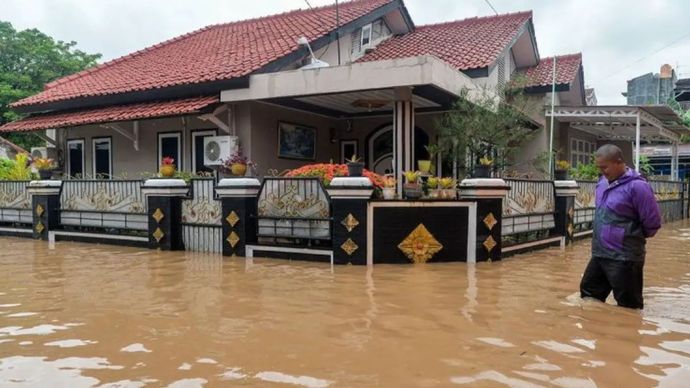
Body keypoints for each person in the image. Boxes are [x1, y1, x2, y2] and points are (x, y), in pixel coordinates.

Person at [580, 144, 661, 309]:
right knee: (589, 293)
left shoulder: (638, 187)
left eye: (605, 167)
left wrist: (630, 236)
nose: (602, 171)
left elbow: (652, 223)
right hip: (600, 253)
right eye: (599, 167)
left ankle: (629, 333)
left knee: (629, 306)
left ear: (619, 162)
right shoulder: (602, 183)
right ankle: (597, 332)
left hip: (624, 258)